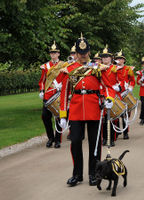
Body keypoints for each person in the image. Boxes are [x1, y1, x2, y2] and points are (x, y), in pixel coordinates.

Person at [59, 34, 115, 187]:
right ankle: (77, 174)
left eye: (85, 53)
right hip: (76, 110)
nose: (83, 56)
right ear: (76, 53)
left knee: (94, 143)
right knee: (76, 141)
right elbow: (64, 93)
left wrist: (109, 98)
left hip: (94, 109)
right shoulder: (69, 70)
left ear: (89, 52)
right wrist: (63, 115)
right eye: (80, 53)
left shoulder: (97, 68)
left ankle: (93, 173)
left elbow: (108, 86)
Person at [38, 41, 64, 148]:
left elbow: (66, 79)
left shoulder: (63, 65)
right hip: (48, 96)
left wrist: (61, 85)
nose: (53, 55)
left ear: (58, 54)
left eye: (55, 53)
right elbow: (42, 81)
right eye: (51, 53)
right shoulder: (46, 66)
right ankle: (50, 138)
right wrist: (42, 90)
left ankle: (58, 140)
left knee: (59, 118)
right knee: (45, 117)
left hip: (59, 94)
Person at [100, 45, 120, 147]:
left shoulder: (115, 68)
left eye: (107, 57)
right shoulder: (98, 68)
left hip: (111, 94)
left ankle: (111, 139)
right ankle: (104, 138)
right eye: (103, 57)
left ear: (111, 58)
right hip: (101, 94)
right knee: (103, 118)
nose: (105, 59)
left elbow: (119, 81)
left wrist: (118, 86)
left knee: (111, 118)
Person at [115, 50, 135, 139]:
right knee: (116, 112)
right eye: (117, 59)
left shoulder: (128, 69)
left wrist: (130, 87)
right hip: (116, 92)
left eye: (120, 59)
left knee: (125, 114)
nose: (119, 60)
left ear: (124, 60)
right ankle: (116, 131)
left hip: (125, 92)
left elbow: (132, 80)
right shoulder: (113, 68)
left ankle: (126, 132)